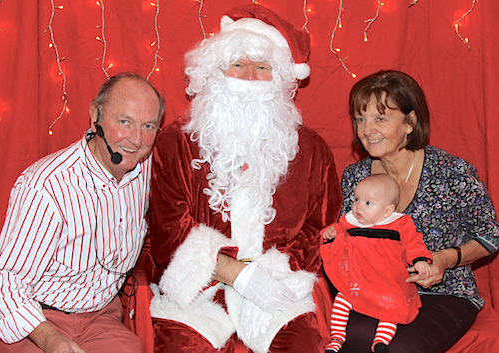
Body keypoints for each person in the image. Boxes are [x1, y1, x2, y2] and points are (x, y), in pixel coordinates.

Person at [145, 4, 342, 353]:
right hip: (198, 294)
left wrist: (279, 270)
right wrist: (239, 275)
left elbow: (321, 228)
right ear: (214, 72)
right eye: (238, 64)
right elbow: (168, 233)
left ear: (280, 78)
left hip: (278, 290)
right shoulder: (176, 142)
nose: (249, 77)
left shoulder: (311, 149)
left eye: (262, 67)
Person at [333, 69, 499, 352]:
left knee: (400, 348)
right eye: (360, 119)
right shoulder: (355, 177)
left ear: (410, 122)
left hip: (443, 294)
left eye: (380, 118)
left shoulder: (452, 173)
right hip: (373, 292)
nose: (366, 130)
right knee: (348, 339)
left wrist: (446, 259)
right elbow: (345, 235)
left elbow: (490, 237)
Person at [0, 72, 165, 353]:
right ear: (94, 117)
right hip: (38, 320)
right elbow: (5, 282)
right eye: (124, 122)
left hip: (102, 316)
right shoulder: (46, 187)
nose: (136, 140)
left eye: (148, 125)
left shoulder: (146, 168)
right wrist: (51, 340)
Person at [320, 174, 432, 353]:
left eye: (367, 203)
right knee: (342, 299)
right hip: (358, 280)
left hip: (387, 282)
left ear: (388, 211)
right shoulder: (351, 221)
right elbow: (339, 228)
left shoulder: (399, 224)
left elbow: (414, 243)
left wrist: (419, 260)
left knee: (391, 308)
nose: (358, 206)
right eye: (356, 199)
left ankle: (381, 341)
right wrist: (332, 232)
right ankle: (337, 338)